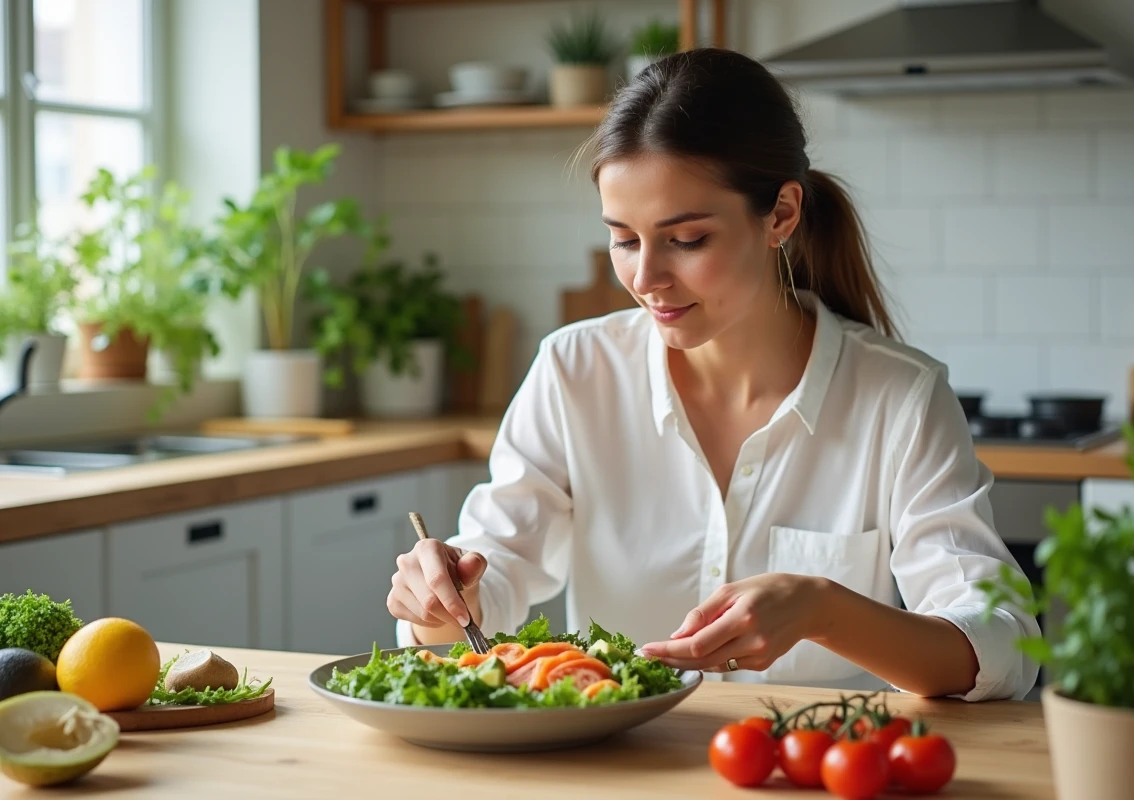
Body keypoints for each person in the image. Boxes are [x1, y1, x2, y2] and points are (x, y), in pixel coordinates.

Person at [388, 48, 1040, 702]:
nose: (646, 279)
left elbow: (1003, 644)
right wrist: (445, 597)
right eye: (623, 238)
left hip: (811, 767)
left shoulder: (898, 398)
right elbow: (493, 573)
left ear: (781, 215)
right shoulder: (573, 371)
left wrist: (823, 609)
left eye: (688, 239)